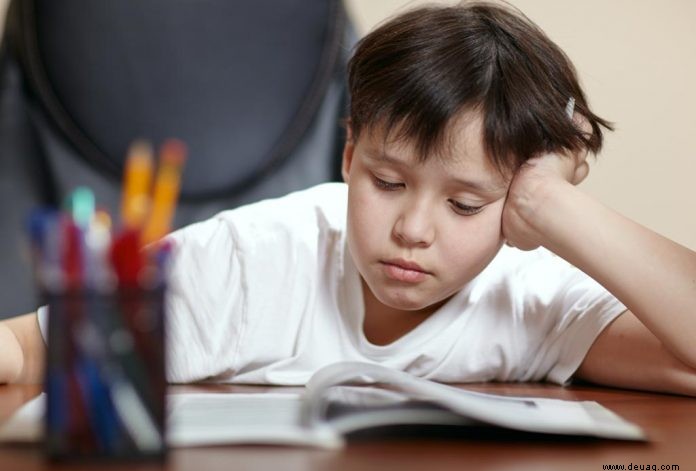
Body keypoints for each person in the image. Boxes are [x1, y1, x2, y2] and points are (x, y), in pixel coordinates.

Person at [1, 2, 695, 395]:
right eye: (387, 183)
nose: (414, 229)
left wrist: (556, 206)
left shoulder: (529, 296)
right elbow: (26, 353)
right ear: (349, 155)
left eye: (465, 205)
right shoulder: (248, 264)